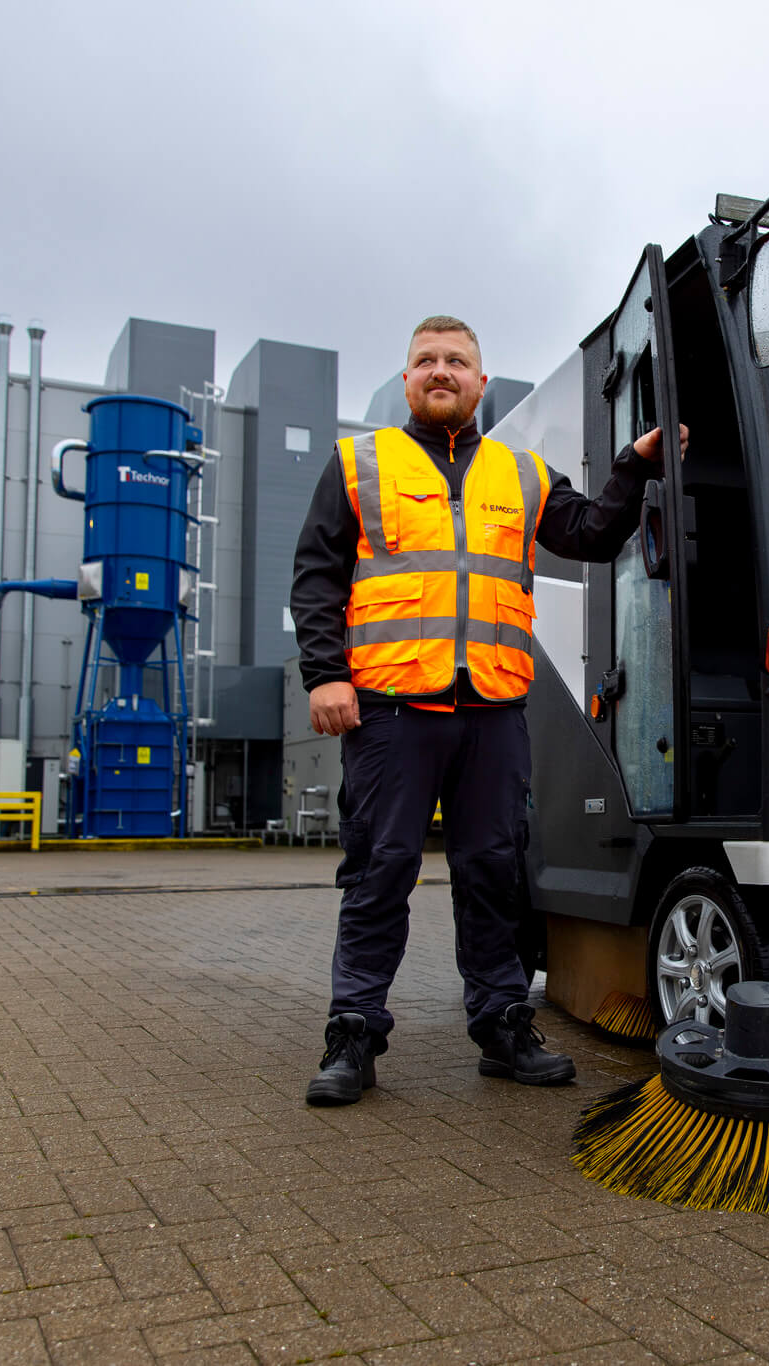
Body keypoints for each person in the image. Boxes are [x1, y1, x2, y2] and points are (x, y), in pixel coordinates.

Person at [291, 315, 682, 1105]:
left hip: (494, 712)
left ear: (480, 380)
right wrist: (324, 675)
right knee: (380, 871)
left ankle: (503, 1024)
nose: (442, 371)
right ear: (407, 381)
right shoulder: (358, 463)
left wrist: (633, 467)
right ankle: (353, 1033)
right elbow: (317, 574)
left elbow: (594, 534)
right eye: (427, 361)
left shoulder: (523, 473)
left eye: (457, 361)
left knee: (495, 873)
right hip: (391, 711)